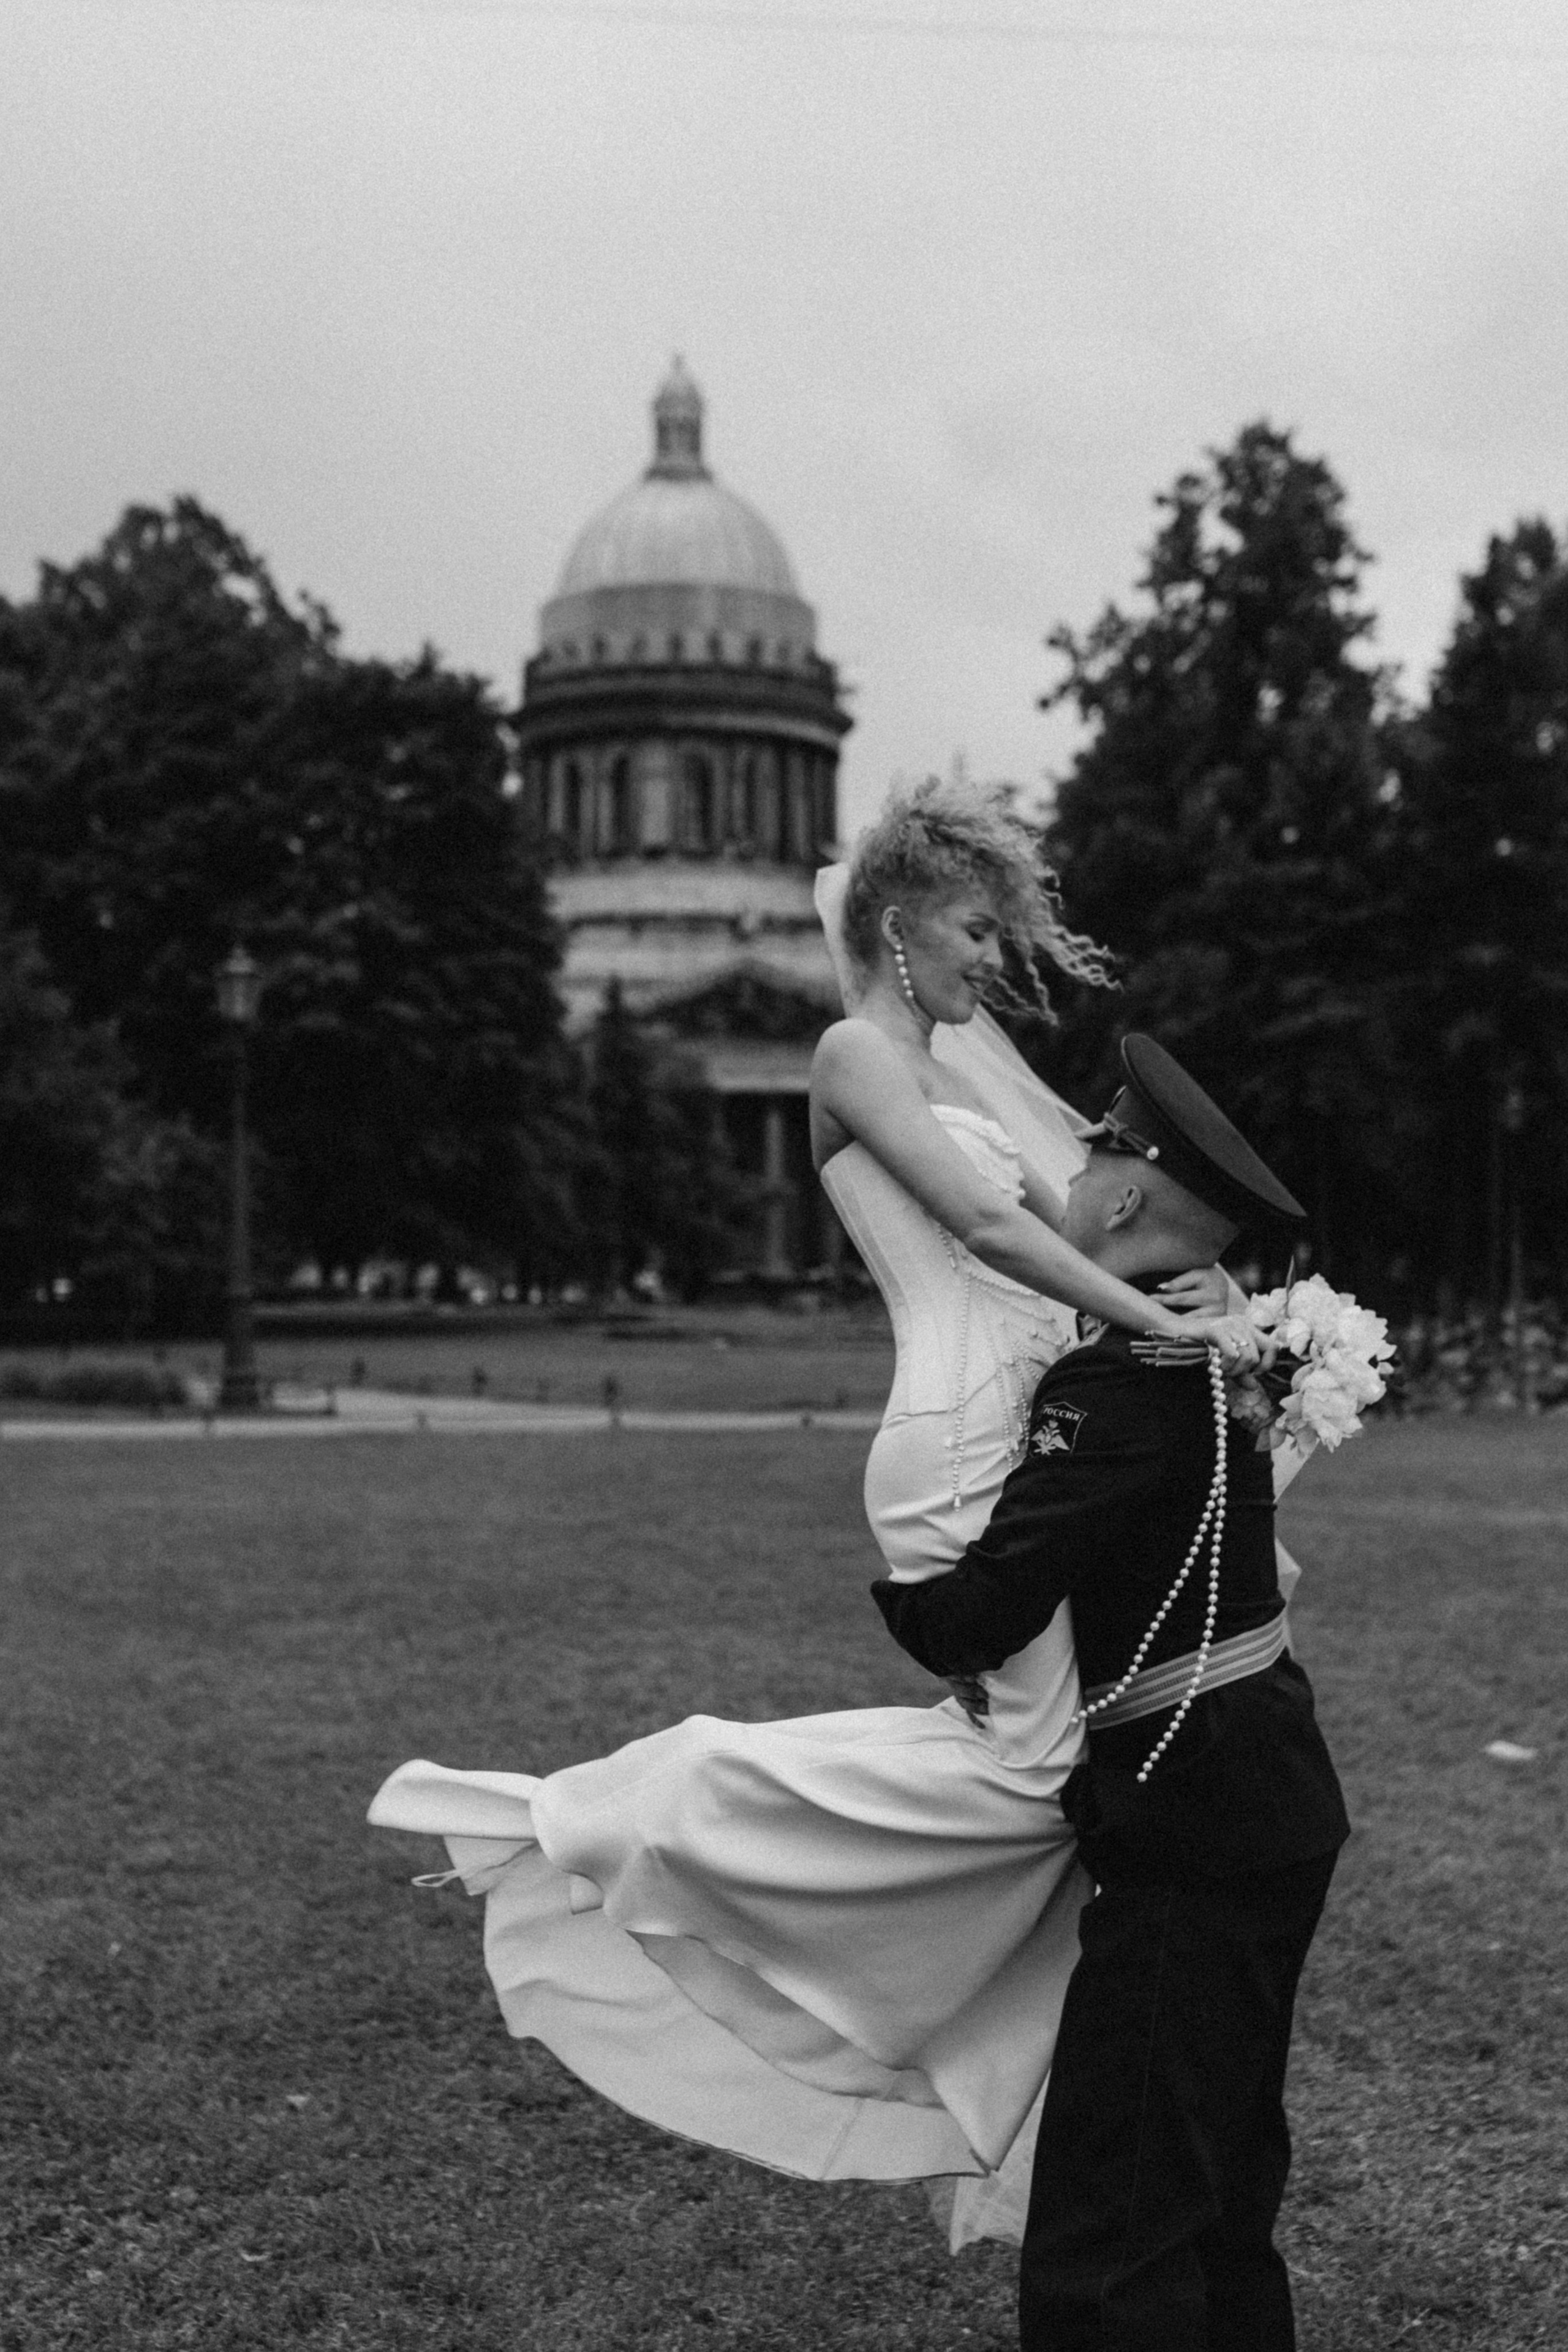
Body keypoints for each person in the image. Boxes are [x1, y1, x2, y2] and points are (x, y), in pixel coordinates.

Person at [368, 779, 1260, 2241]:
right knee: (1037, 1775)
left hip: (1012, 1423)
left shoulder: (947, 1076)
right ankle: (649, 1813)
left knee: (1041, 1767)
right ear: (898, 926)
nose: (996, 960)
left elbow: (1068, 1225)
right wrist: (1169, 1339)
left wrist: (1207, 1297)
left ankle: (996, 2038)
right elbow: (983, 1231)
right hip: (951, 1439)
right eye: (977, 930)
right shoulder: (852, 1049)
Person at [874, 1031, 1351, 2350]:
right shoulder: (1212, 1356)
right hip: (1267, 1803)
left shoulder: (1119, 1378)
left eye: (1092, 1152)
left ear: (1127, 1197)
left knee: (1109, 2230)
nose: (1070, 1167)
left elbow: (980, 1612)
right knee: (1216, 2189)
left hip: (1192, 1828)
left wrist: (899, 1585)